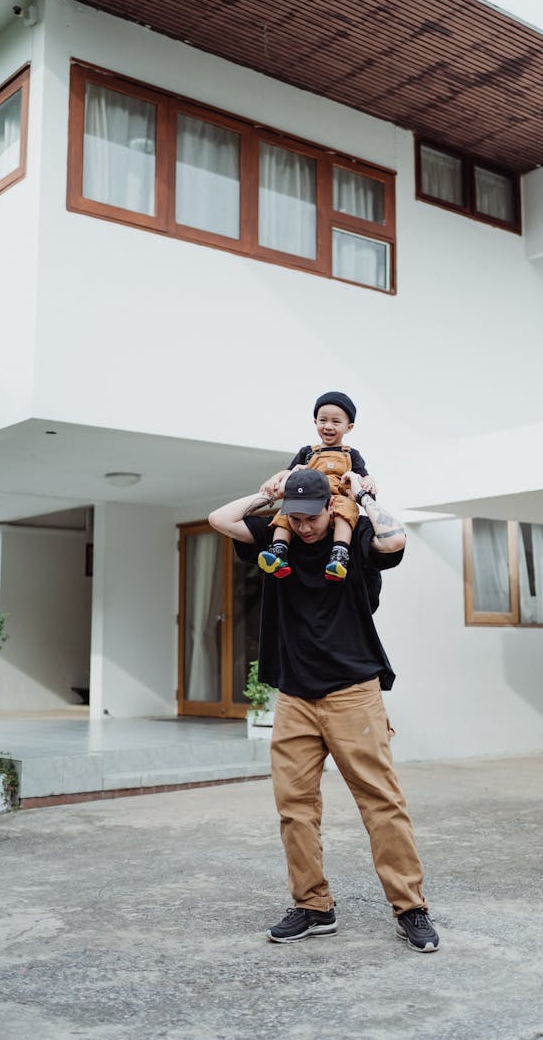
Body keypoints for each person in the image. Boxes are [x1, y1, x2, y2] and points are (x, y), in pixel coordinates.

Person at [208, 467, 440, 953]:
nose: (305, 526)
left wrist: (362, 497)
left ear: (328, 509)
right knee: (294, 808)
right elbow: (218, 518)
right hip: (294, 695)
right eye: (296, 517)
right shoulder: (276, 538)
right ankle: (313, 905)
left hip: (353, 691)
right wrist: (265, 493)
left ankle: (410, 908)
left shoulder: (352, 535)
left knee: (381, 803)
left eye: (312, 517)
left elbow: (394, 541)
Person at [257, 390, 377, 582]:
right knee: (285, 514)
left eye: (336, 422)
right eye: (323, 420)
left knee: (346, 511)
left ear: (349, 427)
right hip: (306, 499)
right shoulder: (307, 452)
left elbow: (362, 475)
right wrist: (274, 479)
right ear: (315, 422)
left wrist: (368, 481)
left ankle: (339, 555)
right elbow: (288, 471)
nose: (328, 426)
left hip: (337, 497)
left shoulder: (351, 454)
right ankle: (279, 551)